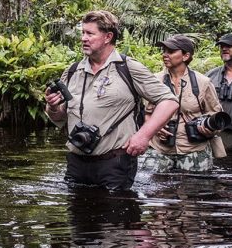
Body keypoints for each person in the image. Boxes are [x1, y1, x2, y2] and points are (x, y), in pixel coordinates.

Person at [44, 10, 179, 191]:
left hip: (115, 163)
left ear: (108, 37)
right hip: (76, 162)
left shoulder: (128, 68)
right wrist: (53, 107)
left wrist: (144, 136)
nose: (84, 38)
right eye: (83, 32)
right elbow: (61, 118)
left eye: (90, 33)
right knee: (77, 218)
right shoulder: (72, 70)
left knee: (114, 216)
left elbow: (169, 101)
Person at [139, 35, 224, 172]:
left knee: (197, 189)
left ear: (186, 56)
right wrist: (155, 127)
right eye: (164, 51)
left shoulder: (203, 82)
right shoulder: (154, 80)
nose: (165, 55)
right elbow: (146, 113)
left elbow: (217, 115)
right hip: (160, 148)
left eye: (171, 51)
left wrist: (208, 128)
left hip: (194, 149)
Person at [205, 33, 232, 153]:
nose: (224, 49)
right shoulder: (210, 75)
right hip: (217, 136)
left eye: (228, 46)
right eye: (221, 46)